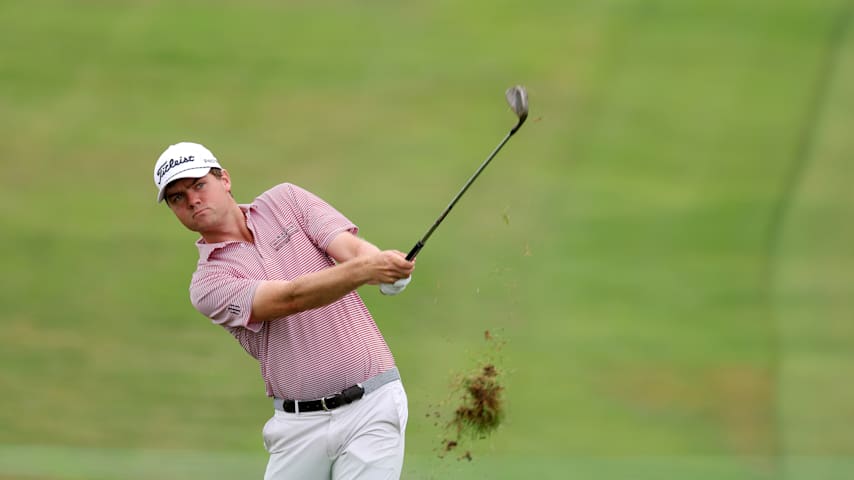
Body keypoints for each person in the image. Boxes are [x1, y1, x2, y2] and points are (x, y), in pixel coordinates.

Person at [153, 141, 415, 479]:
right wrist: (368, 270)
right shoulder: (208, 284)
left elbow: (350, 248)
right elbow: (288, 299)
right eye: (177, 198)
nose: (193, 201)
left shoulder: (285, 201)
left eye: (199, 185)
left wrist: (383, 266)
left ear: (225, 180)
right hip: (298, 428)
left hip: (373, 403)